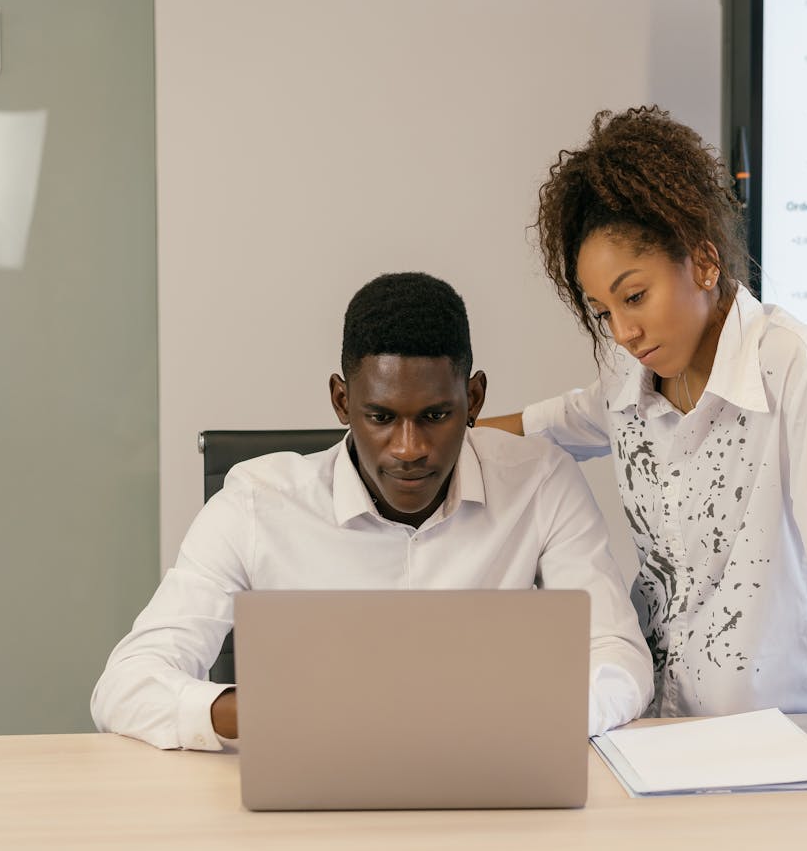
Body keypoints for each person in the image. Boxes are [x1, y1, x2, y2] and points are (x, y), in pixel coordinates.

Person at [481, 107, 807, 784]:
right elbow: (564, 421)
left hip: (782, 738)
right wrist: (445, 428)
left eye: (635, 296)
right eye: (603, 310)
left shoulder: (797, 369)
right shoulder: (626, 373)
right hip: (651, 732)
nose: (623, 331)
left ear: (703, 261)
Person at [92, 272, 653, 750]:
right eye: (381, 417)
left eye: (435, 416)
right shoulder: (254, 504)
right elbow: (125, 686)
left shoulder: (542, 482)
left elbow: (619, 659)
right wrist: (269, 711)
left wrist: (531, 717)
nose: (409, 448)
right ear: (342, 401)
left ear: (474, 399)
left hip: (489, 783)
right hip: (310, 795)